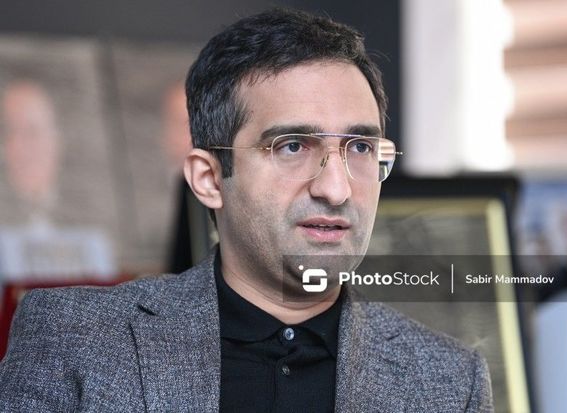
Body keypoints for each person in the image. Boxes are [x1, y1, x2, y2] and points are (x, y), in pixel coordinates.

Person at [0, 8, 493, 412]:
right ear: (209, 178)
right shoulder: (75, 340)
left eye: (360, 148)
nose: (336, 188)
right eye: (292, 146)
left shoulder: (449, 383)